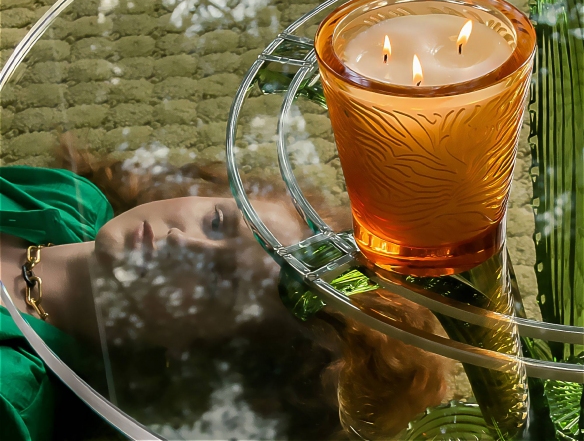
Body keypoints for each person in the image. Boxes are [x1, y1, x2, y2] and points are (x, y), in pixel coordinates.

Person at [0, 134, 448, 440]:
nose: (182, 242)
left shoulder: (11, 391)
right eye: (217, 223)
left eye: (218, 281)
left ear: (195, 355)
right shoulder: (70, 199)